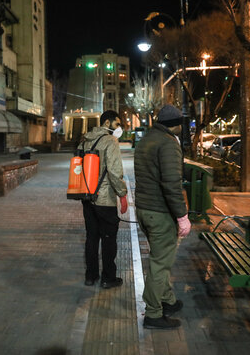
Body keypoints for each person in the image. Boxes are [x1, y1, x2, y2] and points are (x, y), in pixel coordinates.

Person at [133, 104, 191, 329]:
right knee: (160, 263)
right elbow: (171, 184)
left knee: (160, 258)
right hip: (160, 213)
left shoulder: (147, 139)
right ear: (176, 125)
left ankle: (167, 300)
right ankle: (154, 314)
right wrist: (182, 216)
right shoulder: (168, 143)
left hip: (144, 210)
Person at [79, 110, 128, 288]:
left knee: (91, 237)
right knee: (108, 238)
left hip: (86, 196)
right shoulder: (110, 141)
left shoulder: (85, 140)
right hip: (105, 199)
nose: (119, 128)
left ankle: (90, 276)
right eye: (117, 124)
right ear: (107, 123)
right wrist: (122, 193)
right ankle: (108, 278)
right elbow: (115, 172)